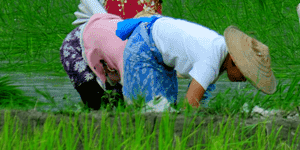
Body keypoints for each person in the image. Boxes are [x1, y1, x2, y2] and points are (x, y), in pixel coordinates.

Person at [115, 15, 277, 108]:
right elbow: (189, 106)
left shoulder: (220, 52)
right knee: (153, 110)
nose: (245, 79)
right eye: (245, 73)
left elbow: (197, 100)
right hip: (144, 48)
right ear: (234, 61)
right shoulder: (211, 61)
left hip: (159, 51)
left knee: (168, 108)